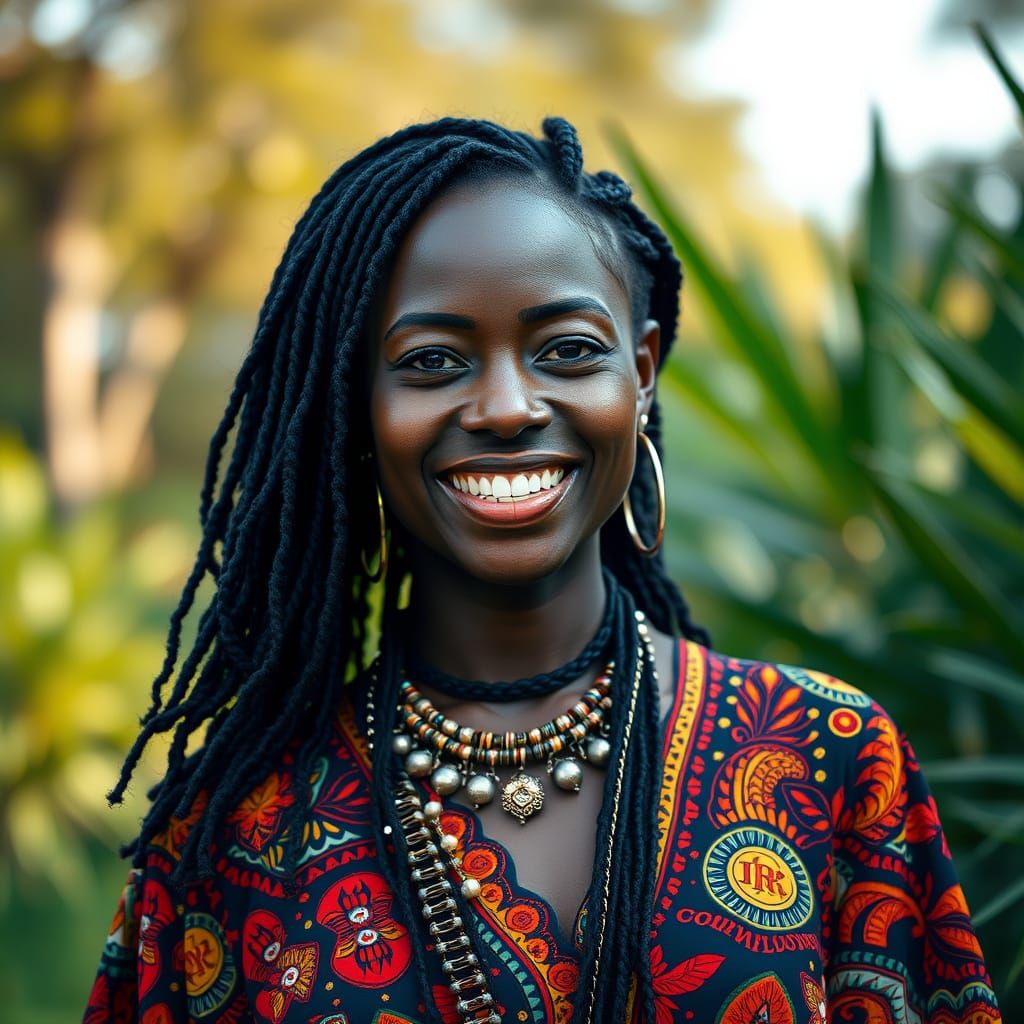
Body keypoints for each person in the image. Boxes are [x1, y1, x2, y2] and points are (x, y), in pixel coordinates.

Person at [83, 117, 1001, 1024]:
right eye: (432, 361)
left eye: (567, 350)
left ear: (641, 374)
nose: (507, 407)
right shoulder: (228, 833)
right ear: (353, 405)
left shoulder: (831, 754)